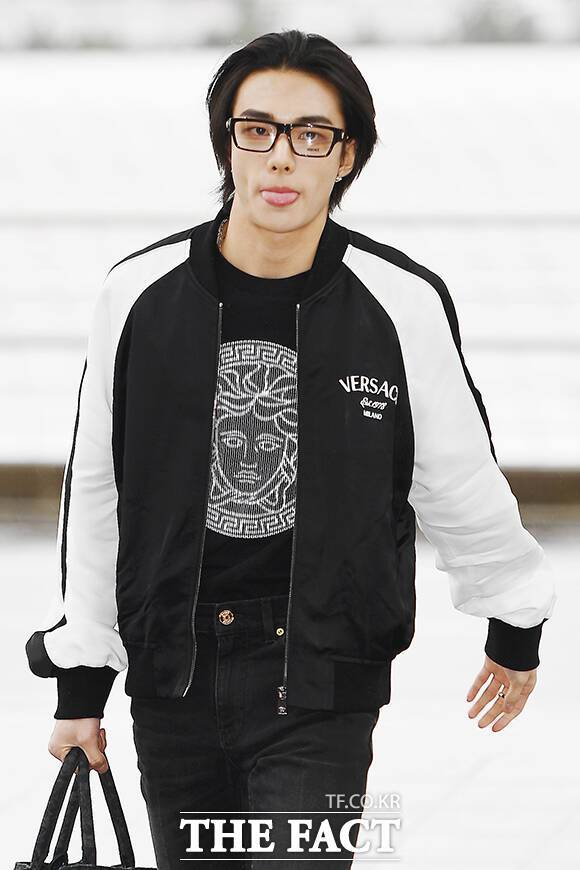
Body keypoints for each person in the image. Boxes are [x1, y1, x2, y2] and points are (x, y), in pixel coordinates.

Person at [25, 29, 557, 869]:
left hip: (322, 672)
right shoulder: (136, 293)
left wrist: (513, 614)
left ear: (347, 157)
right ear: (226, 144)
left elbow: (454, 470)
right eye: (258, 130)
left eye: (312, 134)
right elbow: (98, 488)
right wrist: (82, 681)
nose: (281, 157)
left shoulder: (400, 302)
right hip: (174, 670)